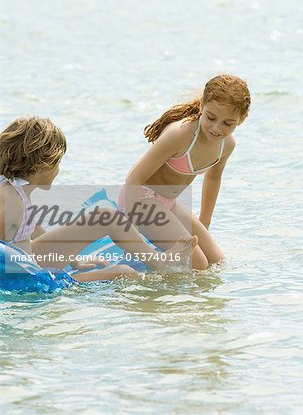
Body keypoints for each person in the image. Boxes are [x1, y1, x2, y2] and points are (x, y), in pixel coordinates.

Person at [0, 116, 197, 283]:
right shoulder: (9, 201)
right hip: (27, 278)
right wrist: (53, 280)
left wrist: (73, 260)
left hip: (30, 258)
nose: (58, 169)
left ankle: (158, 262)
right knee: (124, 272)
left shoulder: (18, 190)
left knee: (106, 215)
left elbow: (29, 226)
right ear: (43, 164)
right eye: (57, 162)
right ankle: (160, 265)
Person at [119, 74, 251, 270]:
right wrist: (131, 233)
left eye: (227, 123)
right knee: (198, 263)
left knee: (217, 260)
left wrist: (204, 222)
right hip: (141, 201)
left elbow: (213, 177)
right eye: (211, 117)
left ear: (241, 119)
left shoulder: (227, 145)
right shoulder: (180, 134)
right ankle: (158, 289)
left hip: (168, 204)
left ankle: (190, 300)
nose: (216, 128)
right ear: (202, 106)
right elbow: (133, 177)